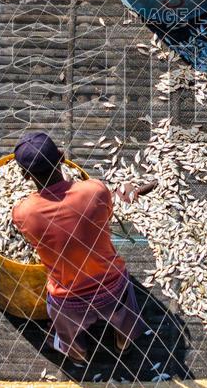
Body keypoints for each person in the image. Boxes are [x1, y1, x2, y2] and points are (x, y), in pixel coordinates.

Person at [11, 131, 153, 363]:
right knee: (125, 316)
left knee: (68, 334)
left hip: (69, 300)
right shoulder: (95, 189)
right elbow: (104, 215)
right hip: (113, 287)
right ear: (61, 156)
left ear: (25, 175)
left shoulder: (23, 212)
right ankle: (123, 342)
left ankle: (78, 355)